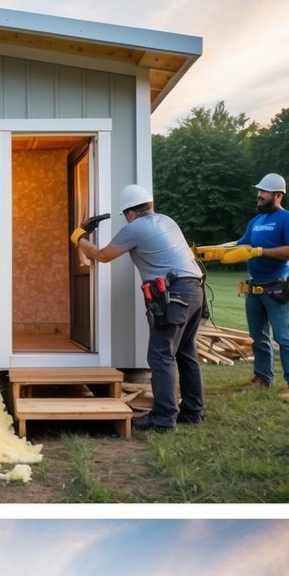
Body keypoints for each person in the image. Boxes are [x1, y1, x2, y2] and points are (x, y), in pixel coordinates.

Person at [74, 185, 204, 432]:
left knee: (161, 355)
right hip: (195, 288)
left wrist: (79, 236)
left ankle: (164, 419)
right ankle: (192, 411)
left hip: (173, 293)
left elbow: (101, 256)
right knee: (186, 353)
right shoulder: (167, 221)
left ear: (130, 212)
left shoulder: (134, 228)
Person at [234, 173, 289, 400]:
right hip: (254, 288)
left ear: (278, 195)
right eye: (259, 191)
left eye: (263, 192)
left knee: (284, 337)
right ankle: (262, 378)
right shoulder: (255, 222)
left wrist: (260, 251)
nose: (258, 195)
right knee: (258, 336)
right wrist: (211, 250)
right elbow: (240, 244)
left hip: (276, 288)